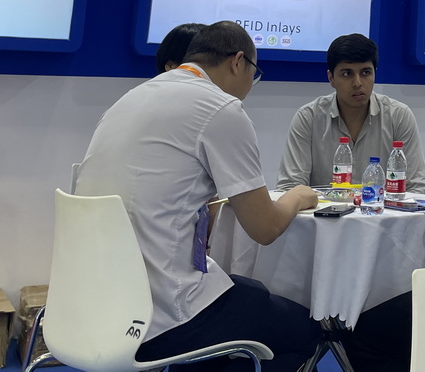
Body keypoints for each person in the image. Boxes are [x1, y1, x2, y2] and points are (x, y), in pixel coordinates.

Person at [75, 21, 321, 372]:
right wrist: (297, 196)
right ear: (238, 62)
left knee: (248, 293)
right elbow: (264, 228)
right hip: (163, 314)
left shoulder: (131, 98)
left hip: (94, 305)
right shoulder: (221, 108)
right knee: (303, 330)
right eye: (254, 74)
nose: (250, 86)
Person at [276, 33, 425, 193]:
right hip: (324, 210)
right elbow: (290, 188)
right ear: (331, 78)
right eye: (347, 74)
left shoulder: (398, 116)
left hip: (382, 209)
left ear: (375, 73)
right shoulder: (309, 118)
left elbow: (417, 188)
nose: (357, 83)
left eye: (365, 73)